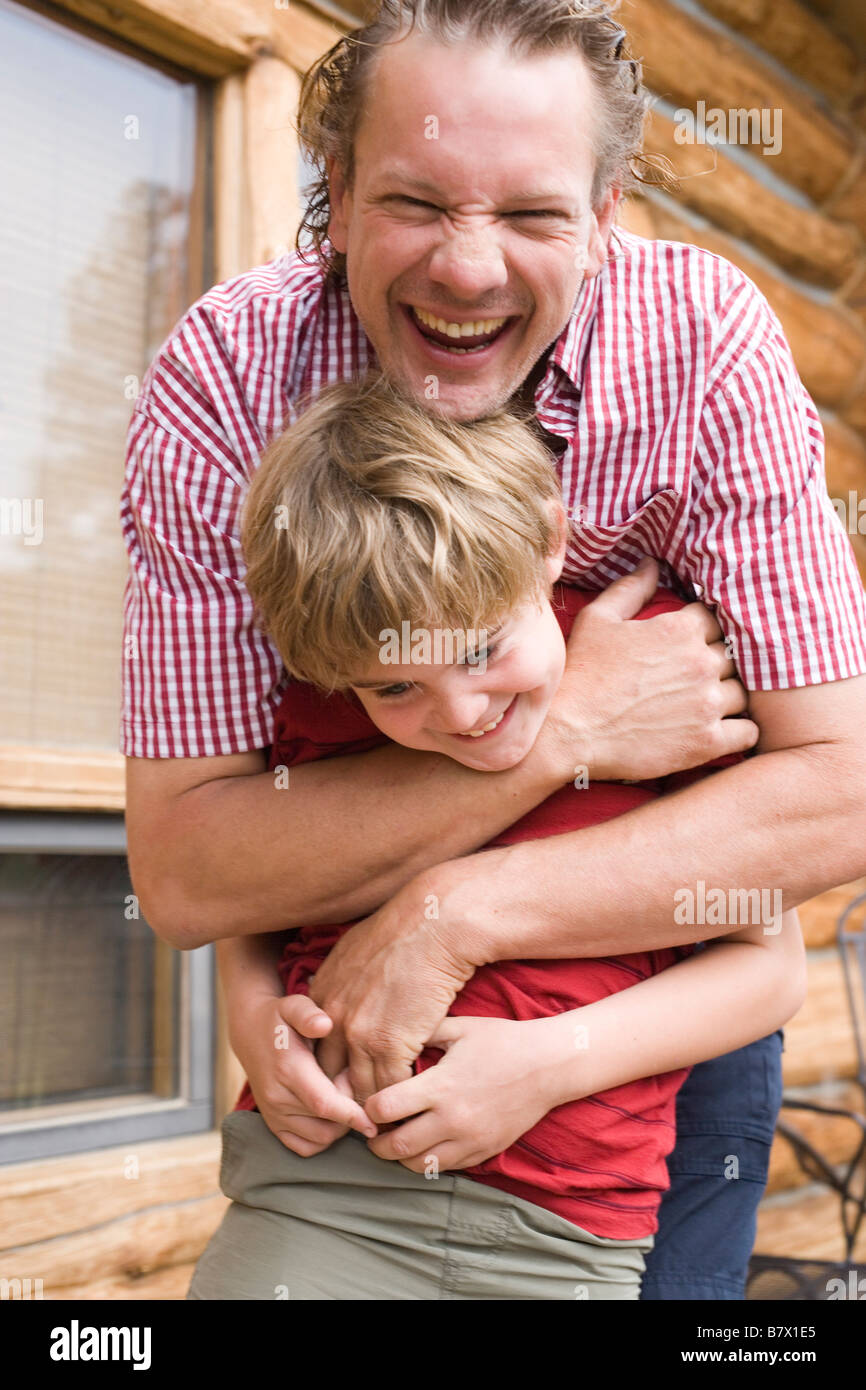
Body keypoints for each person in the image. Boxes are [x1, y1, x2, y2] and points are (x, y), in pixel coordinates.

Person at [122, 0, 866, 1300]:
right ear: (336, 192)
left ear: (605, 209)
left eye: (529, 214)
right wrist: (568, 728)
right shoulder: (230, 383)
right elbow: (191, 869)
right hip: (340, 1096)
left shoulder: (698, 347)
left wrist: (447, 917)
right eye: (415, 201)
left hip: (629, 1072)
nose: (468, 272)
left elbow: (839, 789)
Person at [186, 373, 806, 1299]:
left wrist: (551, 1065)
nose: (462, 712)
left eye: (482, 650)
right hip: (321, 1191)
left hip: (566, 1230)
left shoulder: (667, 685)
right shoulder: (324, 707)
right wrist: (248, 1017)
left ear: (549, 542)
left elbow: (771, 968)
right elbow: (258, 899)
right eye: (396, 688)